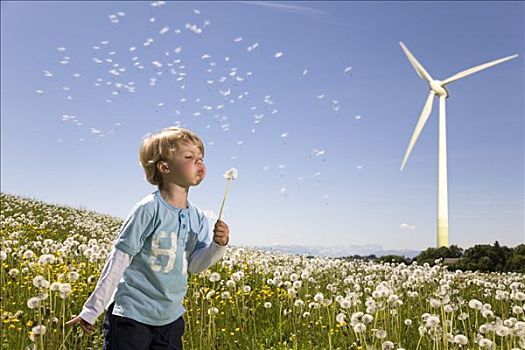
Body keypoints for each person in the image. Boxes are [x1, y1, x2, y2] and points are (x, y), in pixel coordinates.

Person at [66, 127, 230, 350]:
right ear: (164, 167)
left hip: (170, 319)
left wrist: (217, 246)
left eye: (201, 158)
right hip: (132, 315)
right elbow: (119, 260)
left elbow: (194, 266)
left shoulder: (198, 217)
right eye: (189, 157)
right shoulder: (148, 209)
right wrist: (93, 309)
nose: (199, 163)